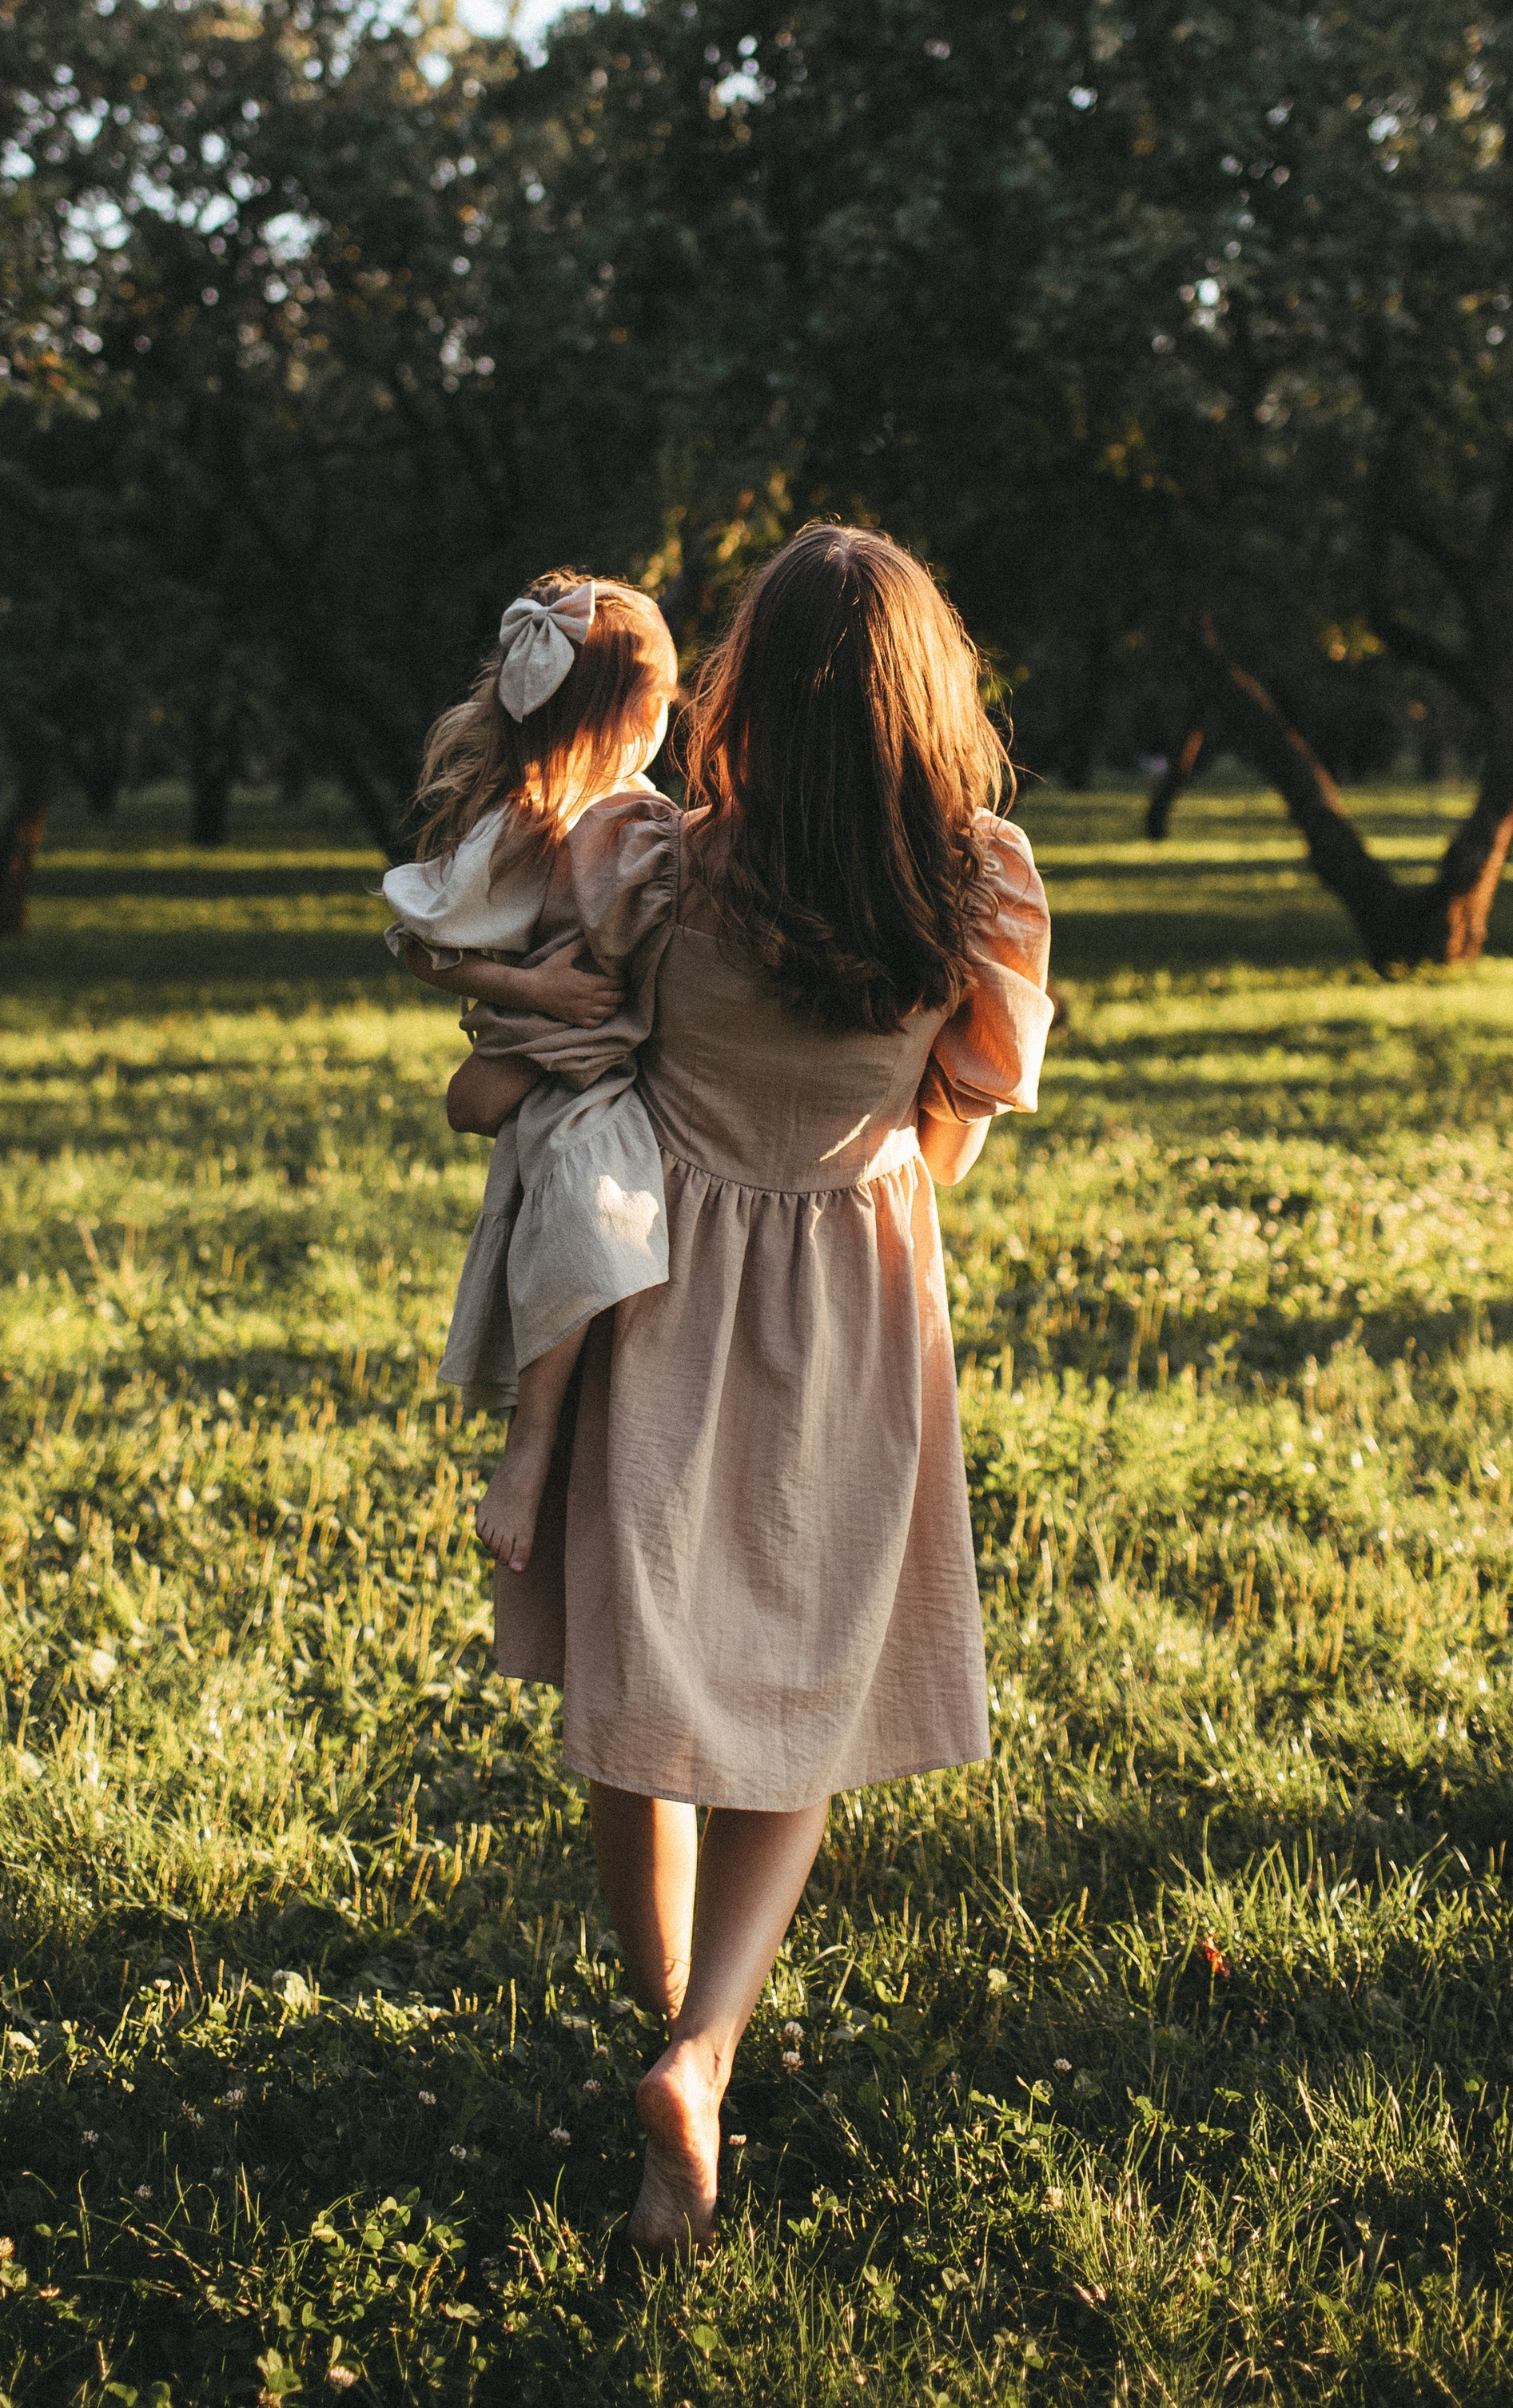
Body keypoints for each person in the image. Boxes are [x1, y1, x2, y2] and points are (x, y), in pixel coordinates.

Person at [450, 523, 1053, 2257]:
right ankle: (703, 2055)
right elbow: (956, 1117)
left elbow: (569, 1048)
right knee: (796, 1693)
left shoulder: (655, 863)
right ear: (928, 699)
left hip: (651, 1291)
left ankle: (661, 2035)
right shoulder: (977, 881)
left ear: (736, 694)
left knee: (633, 1688)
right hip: (852, 1302)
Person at [382, 571, 679, 1575]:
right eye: (651, 713)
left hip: (614, 1047)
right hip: (559, 1057)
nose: (659, 736)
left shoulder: (640, 813)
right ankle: (529, 1446)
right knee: (585, 1212)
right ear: (602, 719)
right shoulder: (527, 821)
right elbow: (417, 945)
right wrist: (525, 991)